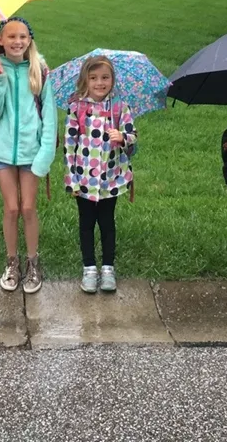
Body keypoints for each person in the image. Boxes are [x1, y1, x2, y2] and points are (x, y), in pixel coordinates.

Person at [0, 16, 57, 294]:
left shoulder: (41, 70)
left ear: (30, 39)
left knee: (28, 208)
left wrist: (45, 155)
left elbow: (50, 116)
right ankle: (11, 263)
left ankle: (33, 262)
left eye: (23, 36)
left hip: (32, 152)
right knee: (11, 209)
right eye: (11, 36)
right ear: (0, 40)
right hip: (2, 152)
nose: (17, 41)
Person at [63, 55, 137, 293]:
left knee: (107, 223)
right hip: (84, 178)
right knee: (86, 223)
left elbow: (133, 137)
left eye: (105, 78)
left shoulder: (119, 107)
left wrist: (123, 138)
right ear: (85, 80)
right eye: (93, 78)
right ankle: (89, 268)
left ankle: (107, 268)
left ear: (112, 80)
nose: (99, 83)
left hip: (111, 178)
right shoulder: (77, 108)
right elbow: (69, 144)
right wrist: (72, 177)